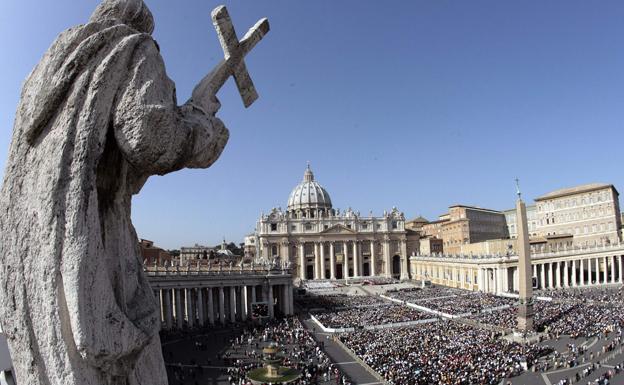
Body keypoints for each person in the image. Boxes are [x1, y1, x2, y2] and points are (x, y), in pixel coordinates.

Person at [0, 0, 236, 384]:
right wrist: (202, 127)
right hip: (90, 244)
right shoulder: (132, 46)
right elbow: (149, 137)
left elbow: (116, 165)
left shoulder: (39, 76)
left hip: (31, 259)